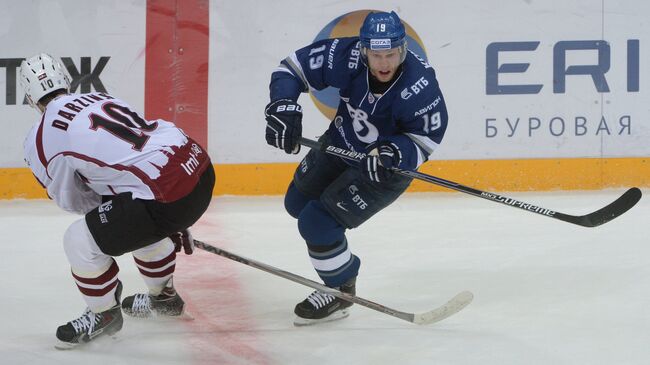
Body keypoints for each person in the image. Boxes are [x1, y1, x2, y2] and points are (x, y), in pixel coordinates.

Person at [264, 11, 448, 325]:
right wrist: (283, 105)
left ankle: (340, 290)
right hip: (339, 143)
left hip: (382, 169)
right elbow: (291, 69)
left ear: (403, 49)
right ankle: (333, 258)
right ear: (363, 50)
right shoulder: (346, 56)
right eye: (376, 55)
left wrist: (395, 153)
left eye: (390, 54)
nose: (384, 63)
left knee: (316, 224)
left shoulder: (419, 84)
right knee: (296, 203)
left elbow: (425, 137)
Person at [19, 53, 215, 347]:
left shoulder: (40, 137)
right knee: (135, 215)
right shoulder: (99, 97)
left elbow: (70, 199)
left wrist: (156, 213)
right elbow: (135, 152)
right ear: (65, 79)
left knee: (79, 240)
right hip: (198, 167)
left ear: (30, 97)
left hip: (166, 195)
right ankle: (164, 300)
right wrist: (162, 214)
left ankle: (104, 315)